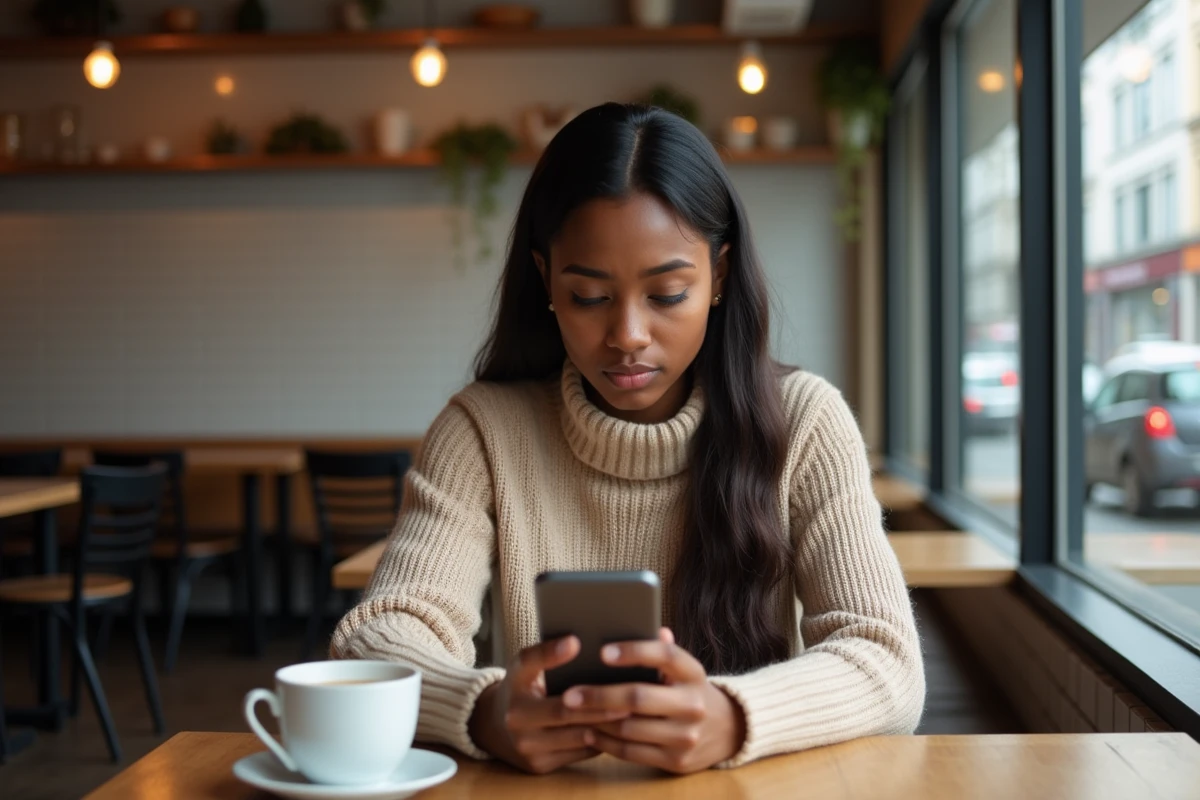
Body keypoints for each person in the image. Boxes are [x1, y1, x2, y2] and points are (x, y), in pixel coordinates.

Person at [331, 102, 924, 774]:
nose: (628, 336)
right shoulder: (482, 432)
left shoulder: (805, 423)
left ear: (719, 277)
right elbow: (374, 644)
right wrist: (482, 711)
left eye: (668, 293)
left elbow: (887, 659)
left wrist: (732, 719)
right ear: (546, 280)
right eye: (589, 297)